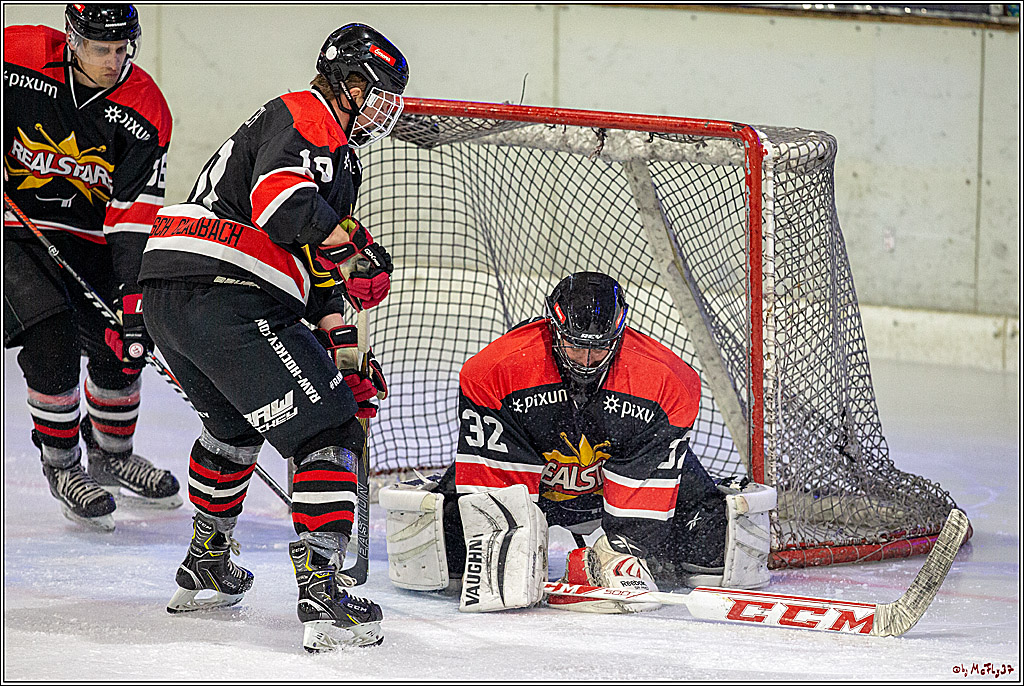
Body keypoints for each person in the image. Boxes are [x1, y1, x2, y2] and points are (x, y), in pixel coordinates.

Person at [138, 23, 407, 652]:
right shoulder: (306, 115)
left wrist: (338, 354)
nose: (382, 109)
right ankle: (322, 584)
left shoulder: (336, 154)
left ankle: (207, 555)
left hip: (176, 295)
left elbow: (311, 272)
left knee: (232, 428)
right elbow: (282, 209)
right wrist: (356, 247)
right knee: (326, 431)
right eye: (375, 93)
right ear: (344, 84)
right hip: (226, 291)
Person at [379, 271, 776, 613]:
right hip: (534, 485)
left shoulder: (666, 381)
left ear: (619, 335)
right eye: (575, 345)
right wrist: (506, 540)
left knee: (712, 553)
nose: (586, 359)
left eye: (599, 346)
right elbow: (493, 491)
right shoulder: (497, 371)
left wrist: (625, 551)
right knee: (452, 565)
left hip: (612, 487)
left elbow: (646, 504)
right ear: (553, 331)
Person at [3, 4, 179, 533]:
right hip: (13, 228)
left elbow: (132, 216)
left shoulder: (146, 107)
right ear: (72, 41)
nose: (113, 60)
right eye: (101, 49)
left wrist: (132, 296)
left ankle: (111, 456)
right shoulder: (17, 55)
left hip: (92, 239)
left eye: (122, 48)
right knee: (50, 334)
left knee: (122, 338)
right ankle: (61, 466)